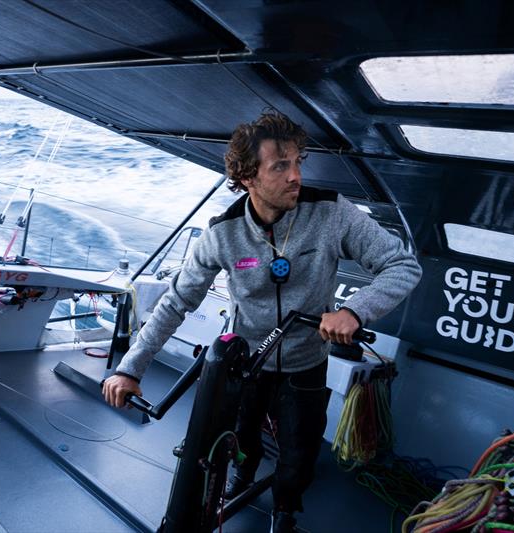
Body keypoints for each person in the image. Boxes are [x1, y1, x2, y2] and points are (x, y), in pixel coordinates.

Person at [103, 110, 422, 532]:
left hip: (305, 361)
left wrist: (354, 310)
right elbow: (176, 301)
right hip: (244, 364)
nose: (296, 176)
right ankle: (242, 476)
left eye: (297, 163)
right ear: (248, 178)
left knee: (300, 448)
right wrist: (130, 367)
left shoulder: (331, 213)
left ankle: (286, 508)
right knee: (240, 437)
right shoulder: (223, 233)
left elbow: (402, 264)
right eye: (280, 166)